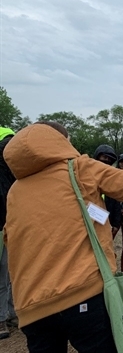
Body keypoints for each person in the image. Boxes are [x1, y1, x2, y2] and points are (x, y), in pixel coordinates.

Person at [3, 122, 123, 352]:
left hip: (33, 307)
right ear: (60, 141)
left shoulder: (15, 191)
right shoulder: (79, 168)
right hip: (83, 295)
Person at [0, 127, 17, 339]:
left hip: (11, 226)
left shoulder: (15, 176)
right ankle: (2, 319)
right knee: (2, 275)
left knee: (14, 271)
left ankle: (12, 312)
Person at [93, 145, 122, 238]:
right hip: (89, 219)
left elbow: (116, 201)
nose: (107, 160)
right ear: (97, 156)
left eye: (109, 159)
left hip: (106, 220)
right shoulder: (87, 174)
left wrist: (116, 224)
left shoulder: (111, 177)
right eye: (104, 157)